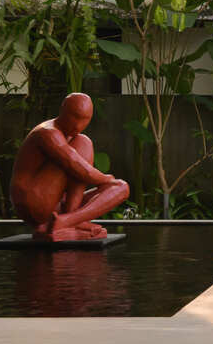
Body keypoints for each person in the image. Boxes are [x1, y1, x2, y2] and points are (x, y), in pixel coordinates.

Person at [8, 92, 130, 240]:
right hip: (34, 203)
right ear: (63, 111)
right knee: (83, 144)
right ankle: (69, 222)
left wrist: (110, 184)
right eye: (75, 117)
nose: (78, 125)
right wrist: (107, 179)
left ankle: (68, 221)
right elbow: (77, 167)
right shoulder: (48, 132)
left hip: (56, 207)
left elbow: (78, 170)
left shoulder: (72, 137)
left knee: (121, 188)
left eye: (84, 120)